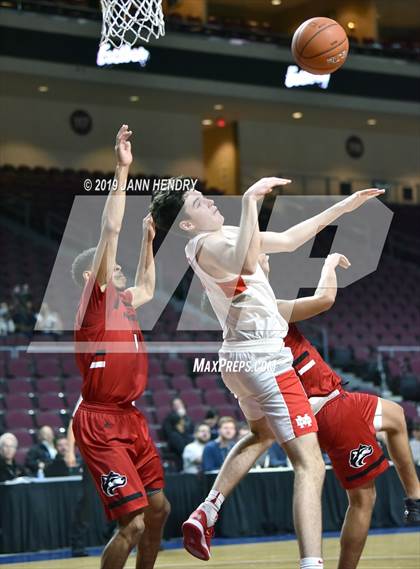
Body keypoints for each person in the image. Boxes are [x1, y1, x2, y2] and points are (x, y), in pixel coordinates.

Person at [151, 176, 384, 567]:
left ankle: (208, 508)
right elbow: (243, 257)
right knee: (310, 465)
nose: (207, 201)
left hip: (239, 360)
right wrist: (248, 201)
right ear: (186, 224)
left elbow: (291, 240)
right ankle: (312, 564)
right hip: (264, 359)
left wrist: (344, 207)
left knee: (259, 434)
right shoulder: (206, 245)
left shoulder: (222, 235)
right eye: (196, 202)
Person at [194, 252, 420, 569]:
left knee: (394, 416)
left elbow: (262, 428)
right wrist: (328, 264)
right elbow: (325, 299)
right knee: (363, 499)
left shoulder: (234, 339)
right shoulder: (265, 312)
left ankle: (415, 496)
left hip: (313, 413)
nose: (259, 257)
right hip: (328, 407)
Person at [71, 125, 170, 569]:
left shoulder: (125, 302)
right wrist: (122, 169)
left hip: (130, 416)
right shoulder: (94, 303)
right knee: (130, 525)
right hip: (99, 421)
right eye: (112, 269)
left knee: (159, 511)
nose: (120, 272)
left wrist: (148, 242)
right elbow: (110, 227)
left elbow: (149, 285)